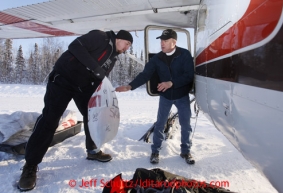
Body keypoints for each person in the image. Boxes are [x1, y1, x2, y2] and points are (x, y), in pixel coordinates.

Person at [18, 29, 133, 191]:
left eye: (129, 46)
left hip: (83, 86)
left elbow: (99, 76)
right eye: (127, 43)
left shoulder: (113, 57)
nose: (127, 48)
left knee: (93, 114)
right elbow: (75, 46)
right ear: (119, 38)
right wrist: (95, 69)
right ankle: (30, 165)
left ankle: (93, 150)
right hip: (63, 80)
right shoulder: (100, 37)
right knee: (50, 120)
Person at [116, 29, 194, 165]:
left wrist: (171, 83)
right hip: (165, 97)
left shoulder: (185, 55)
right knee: (159, 124)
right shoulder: (157, 59)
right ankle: (155, 151)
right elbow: (145, 74)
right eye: (161, 41)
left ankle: (186, 151)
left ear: (174, 42)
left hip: (182, 96)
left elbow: (188, 76)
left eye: (165, 41)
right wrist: (130, 86)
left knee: (186, 125)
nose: (162, 43)